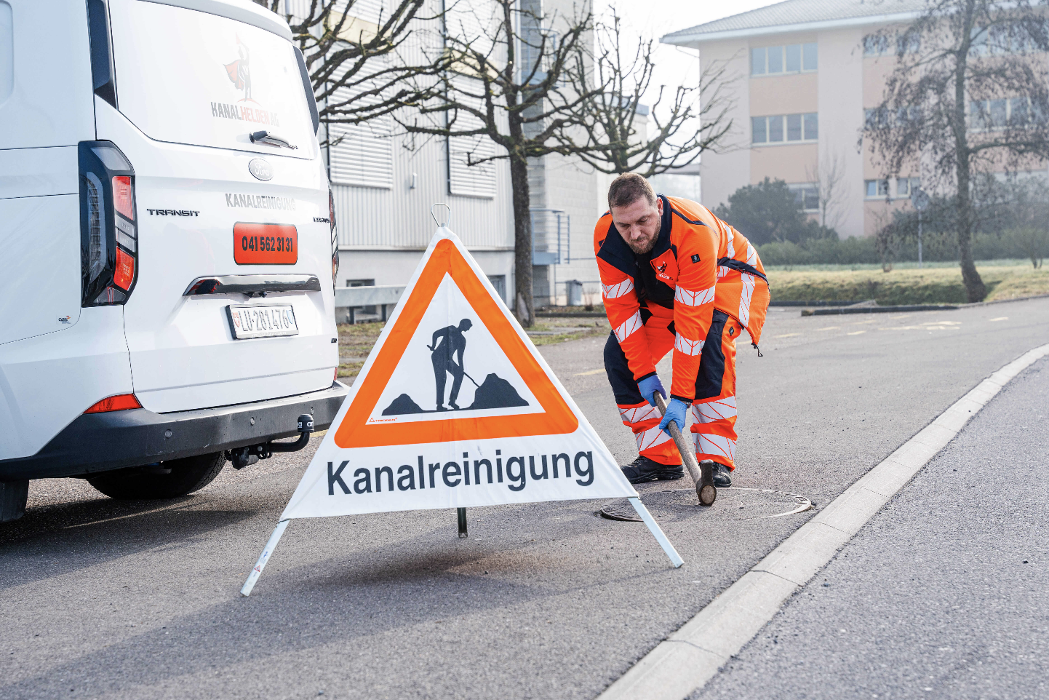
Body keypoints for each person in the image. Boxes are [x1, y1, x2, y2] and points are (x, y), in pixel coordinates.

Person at [594, 173, 770, 487]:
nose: (635, 233)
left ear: (658, 207)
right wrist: (643, 373)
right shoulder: (605, 237)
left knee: (710, 345)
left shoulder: (692, 231)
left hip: (727, 280)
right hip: (667, 291)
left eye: (643, 220)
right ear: (613, 218)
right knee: (619, 356)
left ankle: (714, 459)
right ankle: (660, 457)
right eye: (624, 225)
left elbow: (692, 329)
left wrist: (681, 398)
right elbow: (623, 313)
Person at [429, 319, 473, 410]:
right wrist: (433, 346)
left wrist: (461, 369)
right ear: (462, 324)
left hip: (448, 360)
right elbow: (436, 334)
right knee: (442, 379)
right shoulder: (451, 329)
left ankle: (452, 401)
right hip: (438, 357)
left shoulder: (462, 340)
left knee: (459, 375)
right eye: (468, 325)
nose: (469, 328)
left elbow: (460, 356)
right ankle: (439, 405)